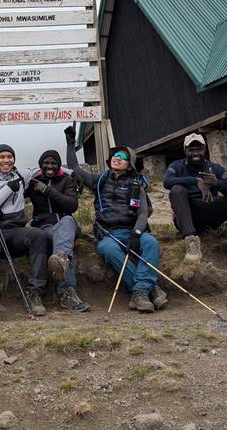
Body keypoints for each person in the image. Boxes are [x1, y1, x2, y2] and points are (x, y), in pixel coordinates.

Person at [64, 125, 167, 313]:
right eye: (115, 156)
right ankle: (149, 290)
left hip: (133, 230)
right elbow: (75, 168)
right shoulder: (99, 180)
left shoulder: (137, 185)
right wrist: (71, 144)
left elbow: (143, 213)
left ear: (130, 164)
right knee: (108, 250)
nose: (118, 158)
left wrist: (136, 234)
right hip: (109, 234)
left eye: (123, 157)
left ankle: (139, 292)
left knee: (151, 243)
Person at [163, 132, 227, 273]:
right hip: (188, 217)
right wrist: (195, 180)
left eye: (199, 149)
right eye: (191, 150)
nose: (195, 153)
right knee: (177, 190)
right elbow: (167, 182)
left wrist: (217, 183)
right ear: (185, 151)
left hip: (211, 214)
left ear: (205, 150)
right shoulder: (177, 166)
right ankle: (192, 244)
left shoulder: (215, 168)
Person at [0, 143, 48, 323]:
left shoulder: (22, 176)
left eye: (10, 156)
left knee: (38, 235)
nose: (6, 160)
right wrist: (8, 188)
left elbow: (46, 167)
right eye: (2, 157)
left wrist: (72, 173)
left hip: (15, 231)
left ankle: (34, 293)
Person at [26, 149, 91, 312]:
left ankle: (61, 260)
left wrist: (48, 191)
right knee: (63, 244)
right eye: (46, 163)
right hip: (44, 226)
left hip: (65, 224)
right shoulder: (33, 181)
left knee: (67, 221)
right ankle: (67, 292)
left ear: (58, 165)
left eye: (54, 163)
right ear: (40, 165)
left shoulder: (66, 180)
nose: (50, 166)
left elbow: (72, 205)